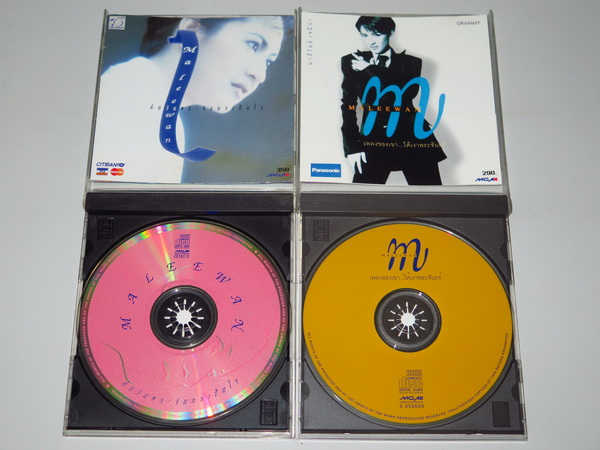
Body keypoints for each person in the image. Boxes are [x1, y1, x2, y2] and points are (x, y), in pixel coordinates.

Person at [91, 16, 291, 183]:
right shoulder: (128, 95)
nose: (260, 75)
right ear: (191, 31)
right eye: (253, 45)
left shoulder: (157, 111)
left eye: (268, 61)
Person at [340, 16, 446, 185]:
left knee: (430, 197)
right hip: (372, 139)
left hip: (413, 139)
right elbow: (348, 106)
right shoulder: (351, 61)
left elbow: (402, 95)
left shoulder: (411, 63)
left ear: (391, 32)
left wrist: (369, 69)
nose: (371, 41)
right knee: (362, 198)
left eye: (376, 34)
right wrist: (352, 147)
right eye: (365, 35)